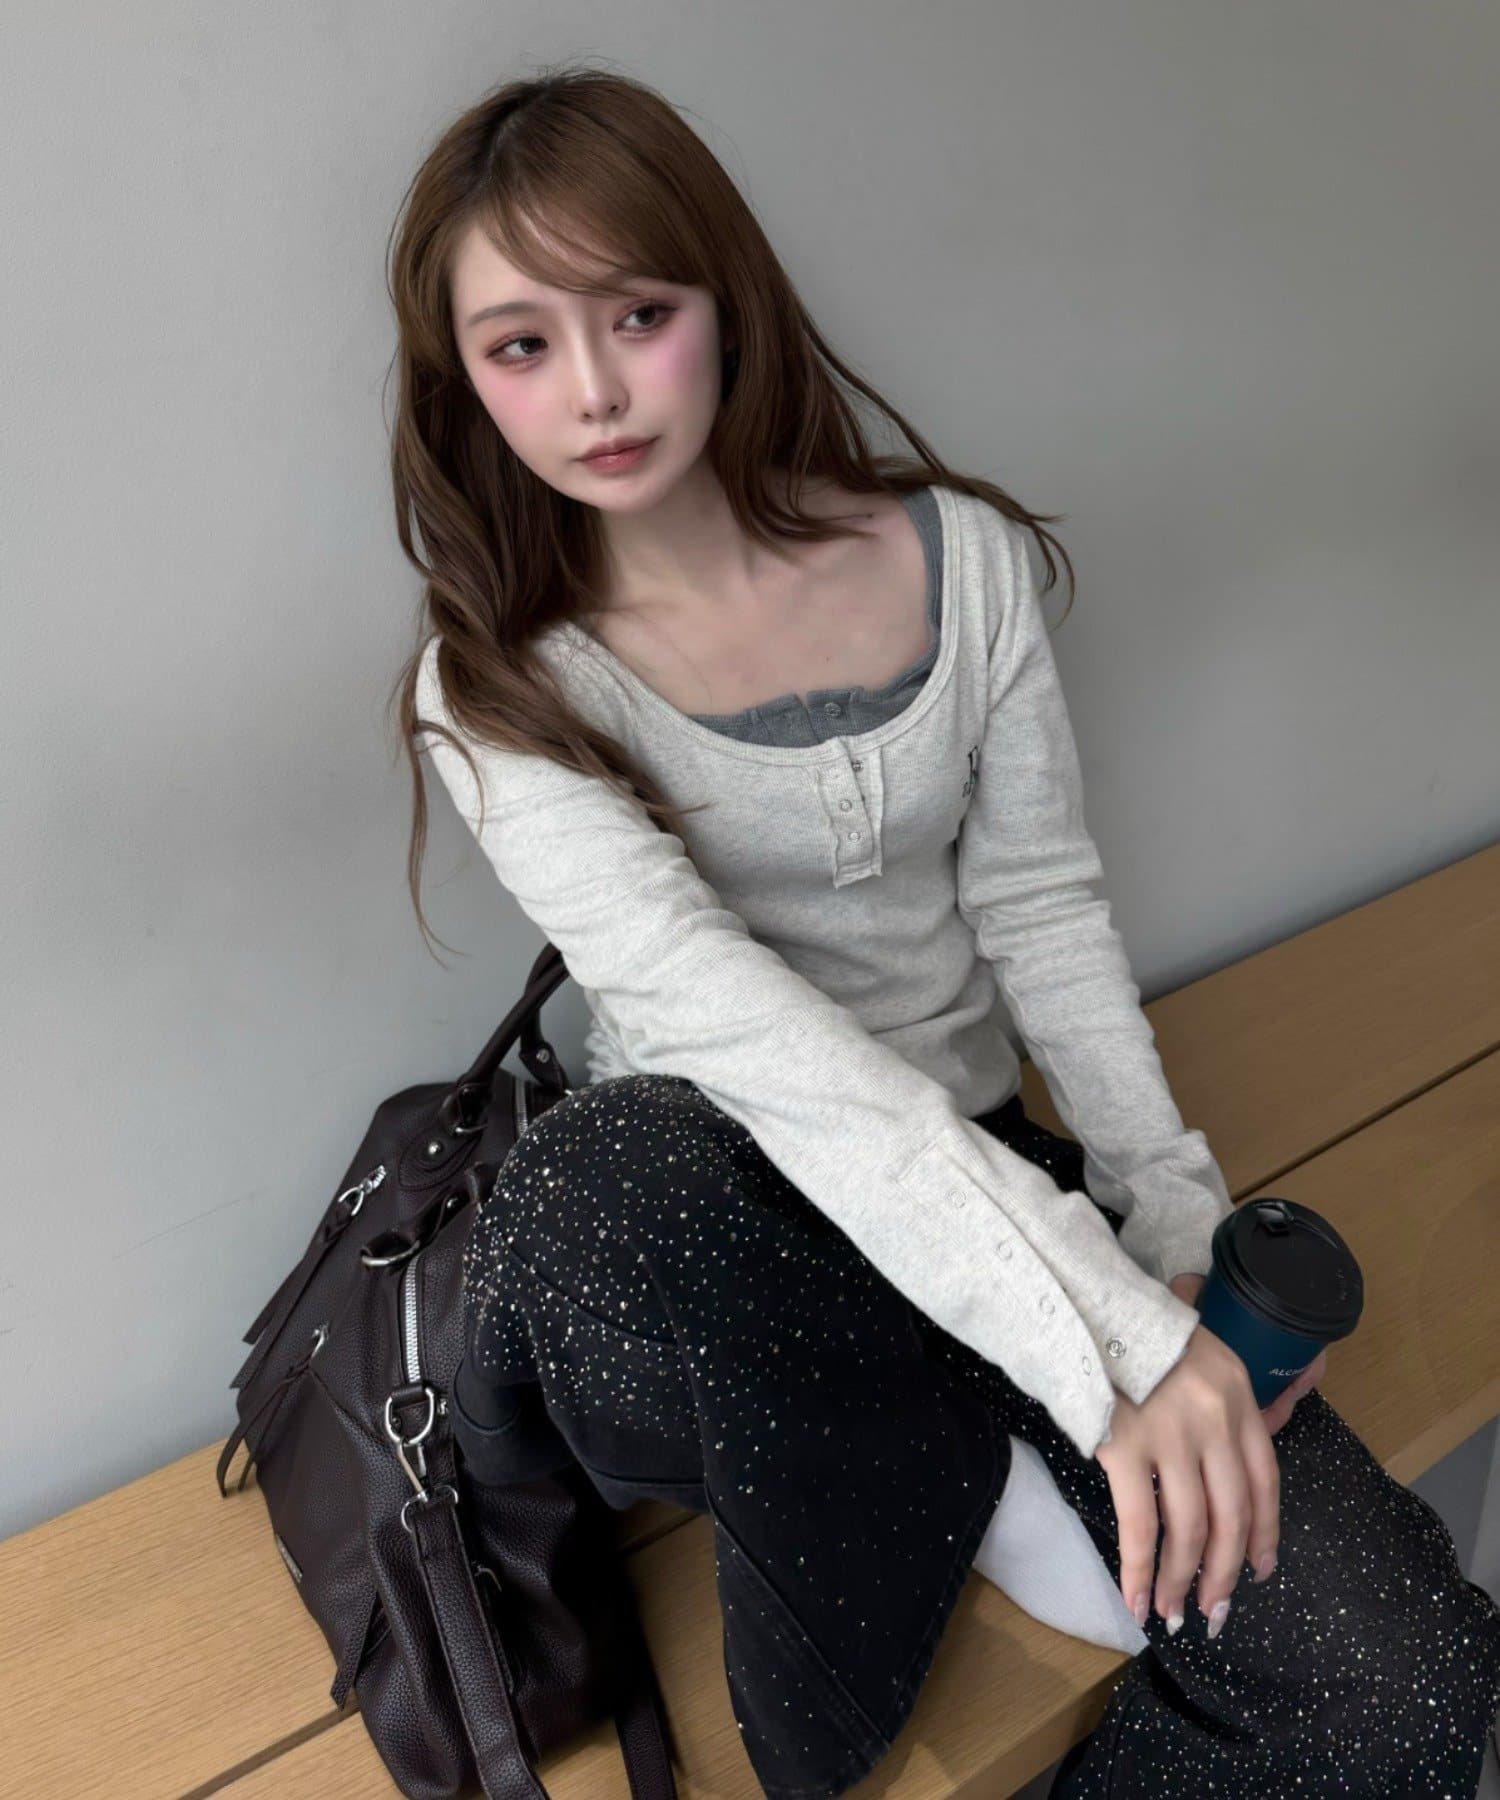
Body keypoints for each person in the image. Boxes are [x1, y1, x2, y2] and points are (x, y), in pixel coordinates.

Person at [387, 62, 1500, 1798]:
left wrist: (1169, 1228)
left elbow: (1042, 908)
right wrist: (1116, 1349)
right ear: (463, 381)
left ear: (724, 301)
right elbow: (753, 1044)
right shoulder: (498, 692)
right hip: (713, 1242)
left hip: (982, 1177)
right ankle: (948, 1449)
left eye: (639, 314)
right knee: (632, 1173)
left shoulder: (960, 562)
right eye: (521, 345)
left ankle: (952, 1445)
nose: (593, 390)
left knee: (1412, 1687)